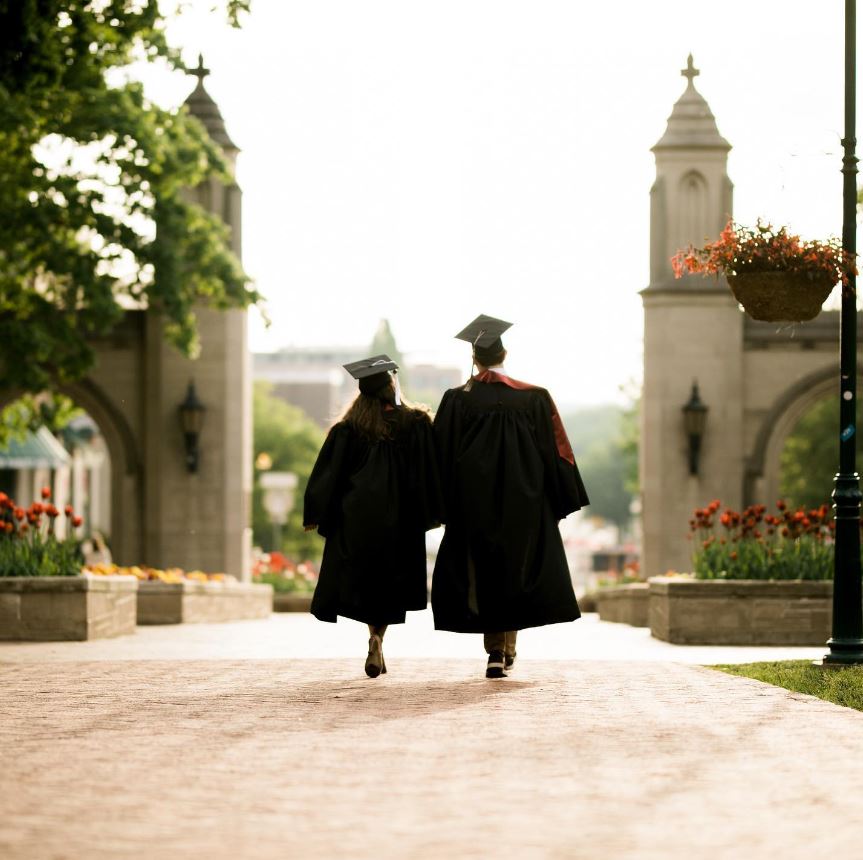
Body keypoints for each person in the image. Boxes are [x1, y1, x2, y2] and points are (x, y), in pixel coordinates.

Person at [431, 315, 589, 678]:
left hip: (474, 502)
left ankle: (497, 650)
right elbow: (559, 451)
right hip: (526, 501)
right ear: (506, 353)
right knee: (516, 567)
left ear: (475, 358)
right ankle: (505, 647)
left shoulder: (457, 400)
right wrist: (559, 497)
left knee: (486, 571)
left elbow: (439, 454)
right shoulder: (535, 397)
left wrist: (441, 503)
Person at [303, 354, 442, 678]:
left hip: (358, 518)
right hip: (402, 520)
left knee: (367, 584)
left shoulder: (349, 428)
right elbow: (431, 470)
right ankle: (379, 637)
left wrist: (316, 512)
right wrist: (436, 507)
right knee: (389, 586)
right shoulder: (416, 423)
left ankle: (373, 637)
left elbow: (328, 474)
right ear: (392, 385)